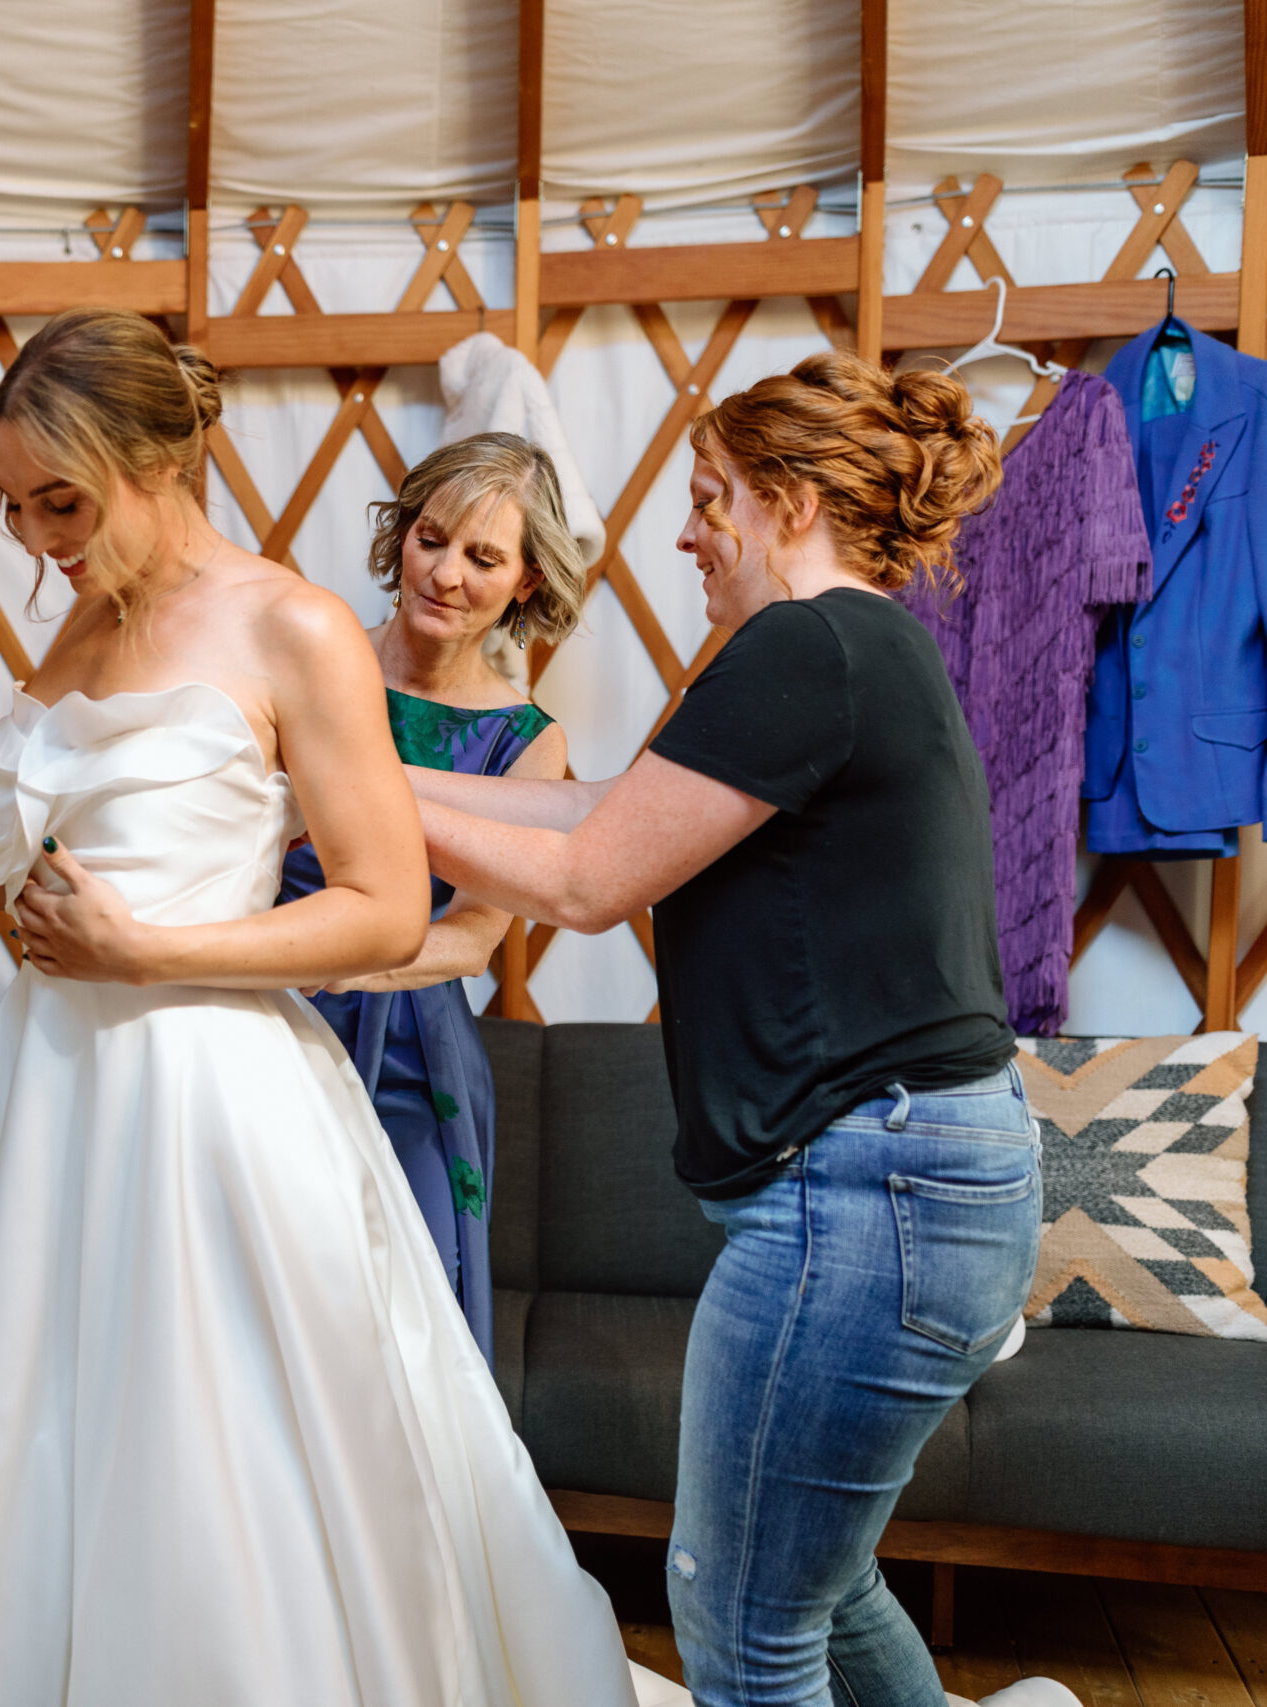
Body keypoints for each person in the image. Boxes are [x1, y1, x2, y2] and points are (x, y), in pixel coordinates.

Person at [0, 307, 671, 1707]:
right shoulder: (82, 627)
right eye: (13, 506)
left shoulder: (295, 627)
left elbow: (384, 908)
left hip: (212, 1098)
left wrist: (143, 951)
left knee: (218, 1447)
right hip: (54, 1098)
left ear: (159, 460)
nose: (35, 537)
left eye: (62, 501)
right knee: (33, 1436)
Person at [403, 353, 1074, 1707]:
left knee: (744, 1629)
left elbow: (586, 881)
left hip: (871, 1196)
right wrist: (366, 768)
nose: (687, 532)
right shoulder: (858, 647)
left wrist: (350, 800)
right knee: (825, 1588)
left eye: (710, 498)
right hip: (925, 1186)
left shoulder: (805, 643)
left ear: (790, 502)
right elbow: (602, 809)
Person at [280, 431, 583, 1351]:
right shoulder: (312, 659)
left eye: (484, 557)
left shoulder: (526, 741)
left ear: (526, 581)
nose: (446, 574)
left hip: (411, 1039)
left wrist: (354, 959)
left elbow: (476, 935)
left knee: (405, 1317)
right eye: (431, 538)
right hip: (267, 1004)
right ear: (401, 535)